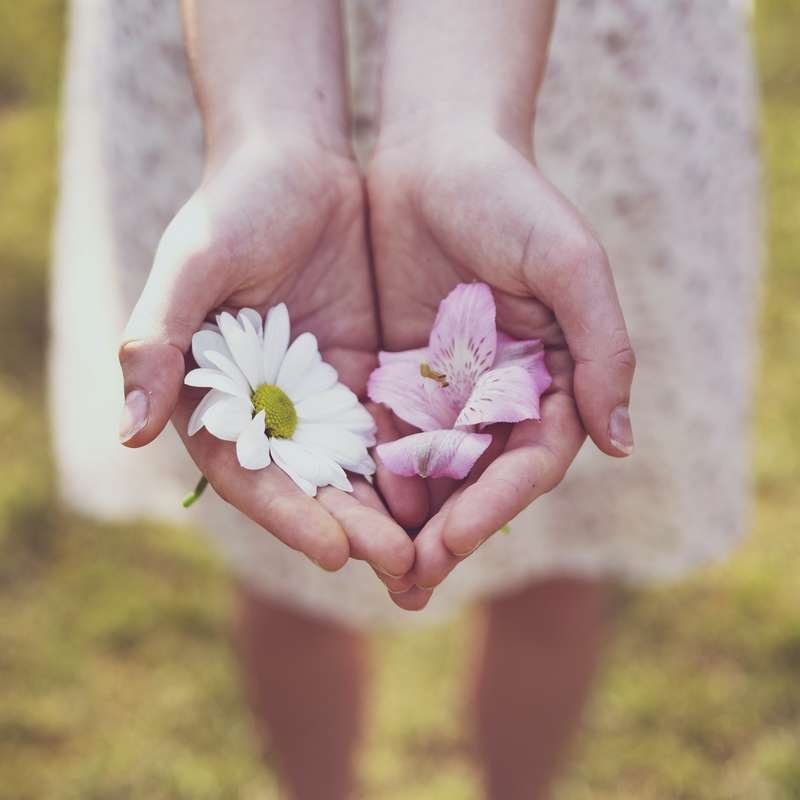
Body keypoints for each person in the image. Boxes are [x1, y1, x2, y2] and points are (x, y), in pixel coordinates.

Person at [50, 1, 760, 797]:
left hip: (570, 61)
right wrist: (268, 130)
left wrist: (459, 129)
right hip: (235, 39)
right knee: (285, 557)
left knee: (560, 546)